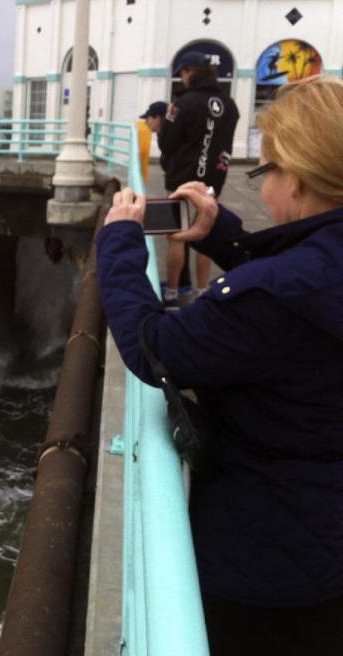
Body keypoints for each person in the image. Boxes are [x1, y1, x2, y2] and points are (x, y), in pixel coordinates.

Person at [97, 76, 343, 656]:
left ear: (301, 179)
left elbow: (154, 347)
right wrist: (224, 236)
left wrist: (120, 243)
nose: (264, 188)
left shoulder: (274, 295)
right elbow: (303, 289)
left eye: (268, 173)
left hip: (266, 562)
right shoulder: (302, 280)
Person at [158, 52, 239, 307]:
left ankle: (172, 292)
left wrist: (170, 162)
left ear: (190, 72)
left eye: (182, 73)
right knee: (205, 231)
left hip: (182, 178)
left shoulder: (182, 103)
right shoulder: (230, 104)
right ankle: (202, 291)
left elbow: (167, 141)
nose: (181, 79)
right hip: (214, 179)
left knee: (176, 236)